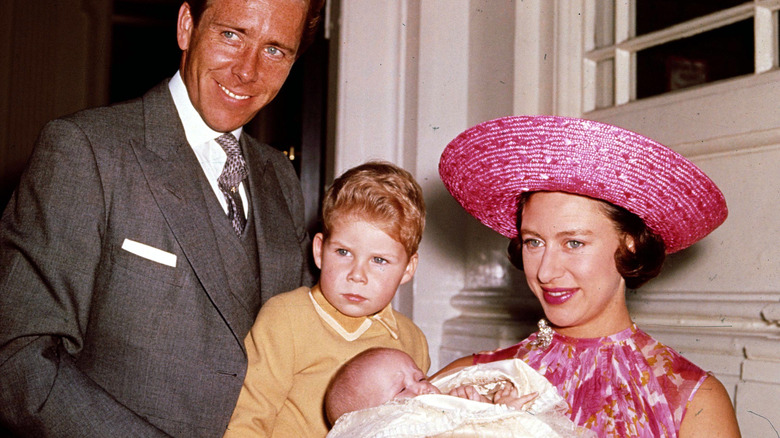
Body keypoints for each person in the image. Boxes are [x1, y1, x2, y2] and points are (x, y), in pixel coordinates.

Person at [0, 0, 324, 436]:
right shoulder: (87, 149)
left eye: (275, 50)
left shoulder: (279, 177)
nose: (247, 71)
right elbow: (18, 357)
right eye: (232, 35)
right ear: (187, 26)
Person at [436, 115, 742, 437]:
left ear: (630, 244)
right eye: (534, 242)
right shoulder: (470, 381)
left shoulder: (691, 401)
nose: (546, 271)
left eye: (574, 243)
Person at [223, 161, 431, 437]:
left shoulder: (410, 339)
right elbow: (248, 419)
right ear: (320, 250)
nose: (357, 275)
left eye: (379, 260)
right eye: (344, 252)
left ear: (408, 269)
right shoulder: (286, 318)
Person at [325, 347, 592, 438]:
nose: (421, 387)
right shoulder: (400, 426)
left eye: (420, 377)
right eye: (403, 389)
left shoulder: (445, 399)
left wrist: (490, 403)